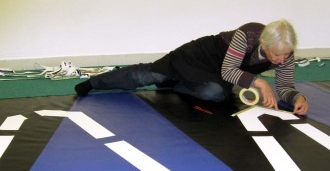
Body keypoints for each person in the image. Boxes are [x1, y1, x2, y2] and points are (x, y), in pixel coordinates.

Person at [75, 19, 309, 115]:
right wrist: (257, 81)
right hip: (197, 57)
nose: (281, 60)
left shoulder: (284, 53)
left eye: (286, 54)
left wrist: (297, 97)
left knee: (218, 95)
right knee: (148, 74)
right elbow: (230, 71)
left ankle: (176, 84)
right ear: (264, 44)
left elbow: (285, 84)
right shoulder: (247, 35)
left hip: (218, 74)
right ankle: (94, 83)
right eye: (277, 55)